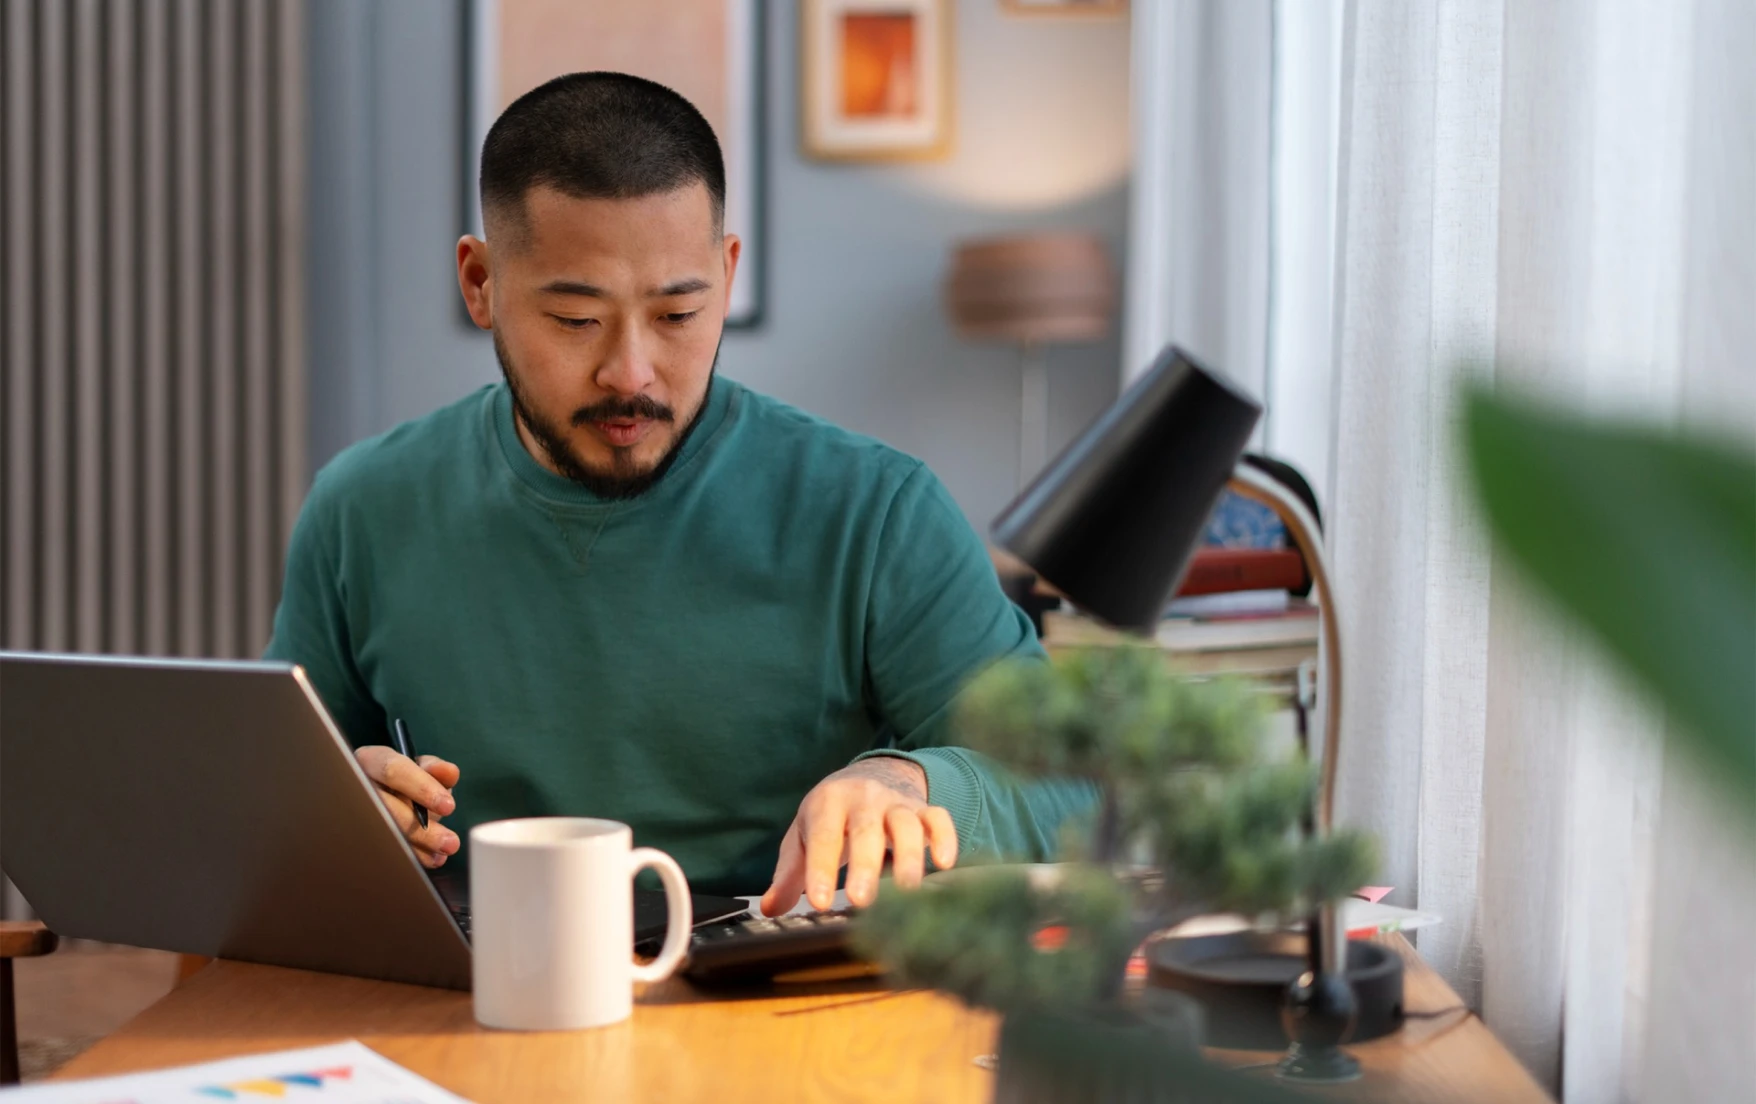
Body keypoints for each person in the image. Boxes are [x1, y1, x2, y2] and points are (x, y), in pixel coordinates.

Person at [266, 71, 1093, 917]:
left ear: (727, 277)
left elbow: (1070, 786)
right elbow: (269, 803)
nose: (631, 373)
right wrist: (342, 805)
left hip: (776, 993)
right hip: (475, 988)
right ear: (480, 283)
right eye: (577, 320)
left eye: (676, 315)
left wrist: (911, 778)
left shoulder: (876, 511)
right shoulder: (361, 508)